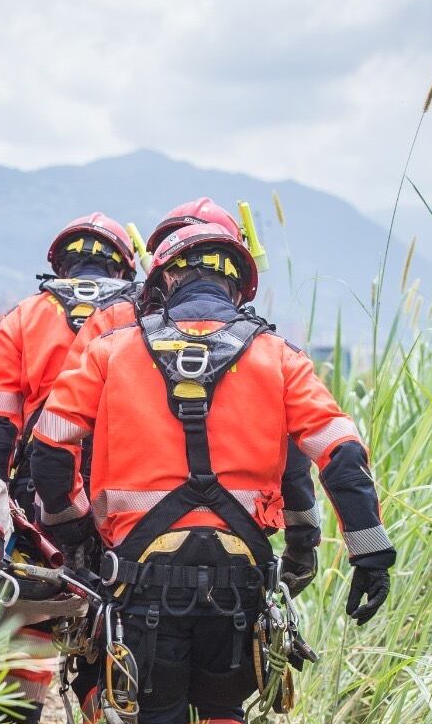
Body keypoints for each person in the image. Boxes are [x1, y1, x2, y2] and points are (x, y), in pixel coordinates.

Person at [29, 222, 394, 724]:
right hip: (239, 580)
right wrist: (369, 552)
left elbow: (47, 450)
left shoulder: (109, 350)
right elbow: (340, 456)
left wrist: (74, 536)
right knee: (220, 716)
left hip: (142, 579)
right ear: (238, 285)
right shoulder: (279, 357)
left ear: (161, 280)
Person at [75, 198, 323, 595]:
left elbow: (69, 440)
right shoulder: (273, 352)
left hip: (126, 553)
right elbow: (297, 462)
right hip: (238, 558)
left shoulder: (111, 332)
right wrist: (305, 543)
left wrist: (74, 536)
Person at [0, 213, 139, 724]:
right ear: (123, 263)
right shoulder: (137, 316)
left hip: (32, 495)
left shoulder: (24, 316)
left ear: (62, 262)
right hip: (116, 495)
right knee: (108, 627)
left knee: (30, 617)